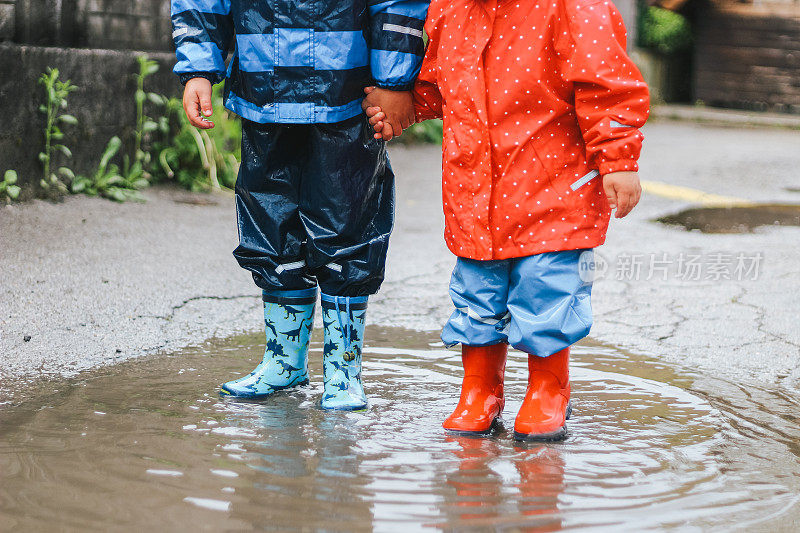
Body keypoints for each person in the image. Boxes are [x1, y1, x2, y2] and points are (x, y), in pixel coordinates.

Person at [363, 0, 649, 438]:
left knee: (547, 286)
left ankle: (548, 388)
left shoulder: (571, 7)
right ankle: (480, 388)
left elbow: (605, 84)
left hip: (553, 180)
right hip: (476, 187)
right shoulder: (450, 9)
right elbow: (440, 84)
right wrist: (403, 102)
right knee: (477, 289)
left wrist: (618, 158)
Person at [171, 0, 428, 409]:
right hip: (263, 91)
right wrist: (199, 67)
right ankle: (284, 360)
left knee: (349, 224)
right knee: (270, 222)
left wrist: (394, 81)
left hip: (346, 92)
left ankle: (344, 369)